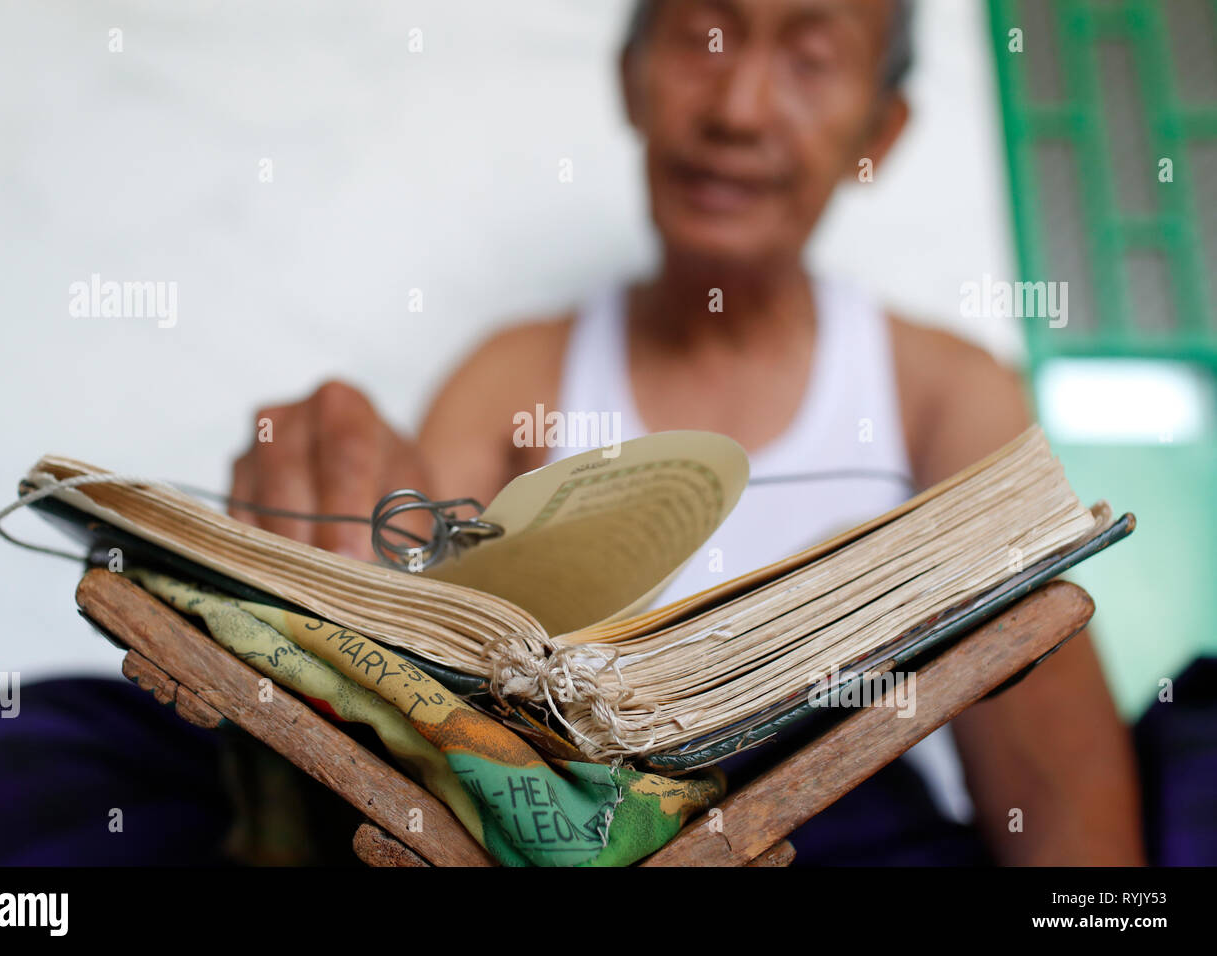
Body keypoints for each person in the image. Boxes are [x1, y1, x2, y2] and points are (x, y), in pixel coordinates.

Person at [226, 0, 1146, 865]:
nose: (738, 109)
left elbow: (1074, 835)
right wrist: (323, 542)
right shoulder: (512, 380)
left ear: (879, 133)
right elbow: (404, 657)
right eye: (704, 37)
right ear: (631, 79)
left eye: (810, 59)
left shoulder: (945, 397)